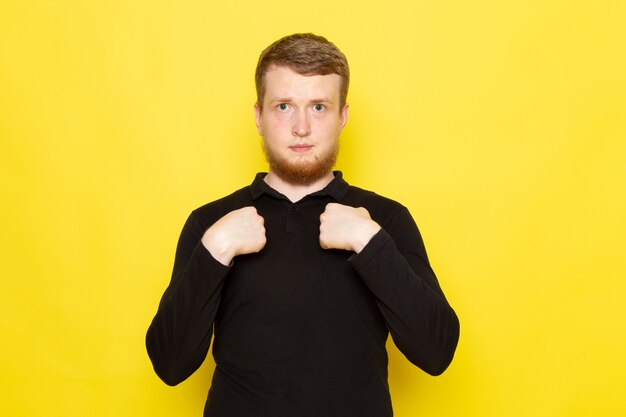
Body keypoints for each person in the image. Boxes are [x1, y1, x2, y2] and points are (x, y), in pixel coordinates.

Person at [146, 33, 460, 417]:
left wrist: (370, 242)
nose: (301, 128)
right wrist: (214, 252)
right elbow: (170, 365)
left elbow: (437, 352)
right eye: (283, 106)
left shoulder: (385, 220)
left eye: (318, 107)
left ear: (342, 116)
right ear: (258, 116)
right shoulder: (210, 224)